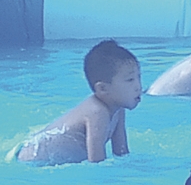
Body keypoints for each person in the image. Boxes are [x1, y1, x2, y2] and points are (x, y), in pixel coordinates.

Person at [13, 40, 141, 165]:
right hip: (32, 158)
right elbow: (97, 163)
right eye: (130, 80)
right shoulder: (97, 112)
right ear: (103, 88)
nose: (138, 86)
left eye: (138, 77)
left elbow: (121, 153)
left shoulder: (118, 109)